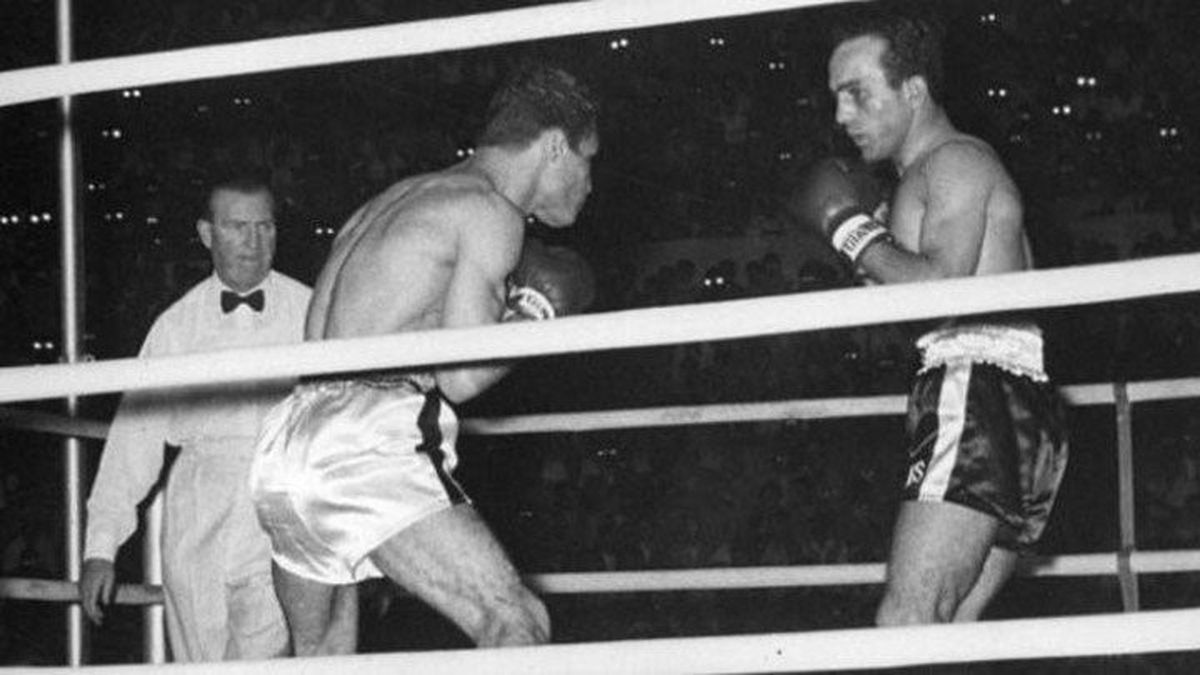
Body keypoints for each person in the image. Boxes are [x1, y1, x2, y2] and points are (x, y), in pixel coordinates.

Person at [249, 61, 599, 655]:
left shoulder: (395, 199)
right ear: (556, 147)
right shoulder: (489, 212)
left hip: (287, 439)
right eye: (589, 160)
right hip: (364, 437)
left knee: (324, 657)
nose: (591, 183)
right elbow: (460, 378)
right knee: (515, 622)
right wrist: (536, 315)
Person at [793, 10, 1069, 624]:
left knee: (909, 619)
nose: (842, 118)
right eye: (836, 98)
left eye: (857, 94)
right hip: (1002, 390)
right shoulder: (919, 178)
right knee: (948, 632)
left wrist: (850, 232)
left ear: (913, 90)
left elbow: (942, 286)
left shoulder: (954, 162)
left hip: (977, 382)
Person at [80, 176, 311, 660]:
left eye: (265, 226)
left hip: (281, 508)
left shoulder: (312, 311)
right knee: (198, 664)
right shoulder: (176, 326)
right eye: (237, 227)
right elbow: (133, 443)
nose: (254, 241)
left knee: (263, 662)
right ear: (207, 234)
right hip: (196, 517)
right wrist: (100, 548)